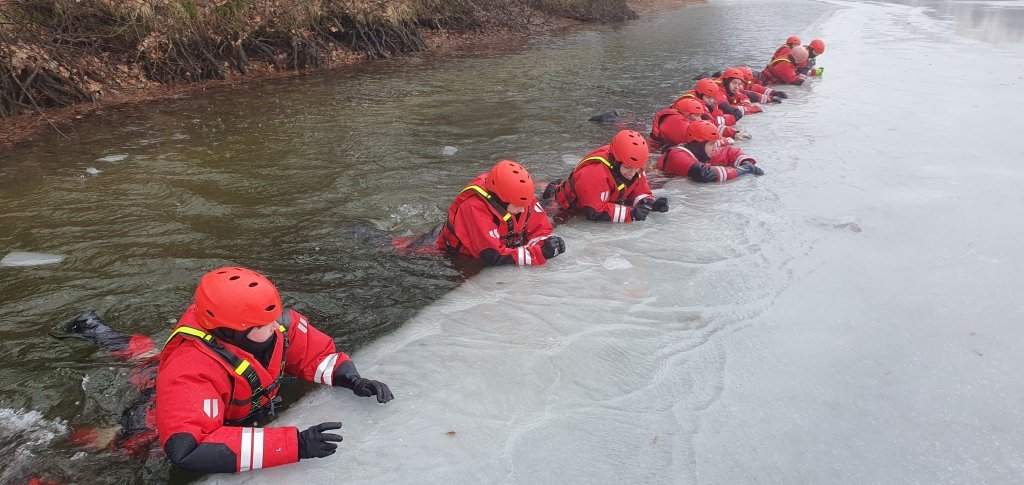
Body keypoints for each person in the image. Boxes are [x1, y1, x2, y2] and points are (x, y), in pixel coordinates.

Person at [156, 267, 394, 474]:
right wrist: (296, 444)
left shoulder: (274, 327)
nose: (275, 325)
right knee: (141, 445)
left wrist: (353, 380)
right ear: (232, 331)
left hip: (249, 408)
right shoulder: (189, 372)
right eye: (264, 323)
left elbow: (317, 356)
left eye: (274, 316)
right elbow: (190, 450)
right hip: (178, 416)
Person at [436, 159, 565, 266]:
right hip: (453, 256)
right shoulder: (473, 207)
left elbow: (540, 229)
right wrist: (538, 253)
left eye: (525, 205)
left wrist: (547, 244)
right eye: (517, 206)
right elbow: (493, 255)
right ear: (501, 200)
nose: (522, 210)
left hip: (500, 245)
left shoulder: (522, 195)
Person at [545, 130, 668, 223]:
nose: (632, 173)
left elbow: (639, 191)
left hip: (600, 200)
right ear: (615, 161)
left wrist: (649, 203)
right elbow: (594, 211)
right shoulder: (595, 173)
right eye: (627, 168)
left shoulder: (635, 166)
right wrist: (630, 213)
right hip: (562, 206)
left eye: (637, 168)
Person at [656, 120, 764, 183]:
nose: (715, 148)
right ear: (698, 143)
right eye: (711, 144)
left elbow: (730, 152)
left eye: (715, 143)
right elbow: (704, 174)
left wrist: (745, 162)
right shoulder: (677, 155)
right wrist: (742, 170)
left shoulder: (699, 151)